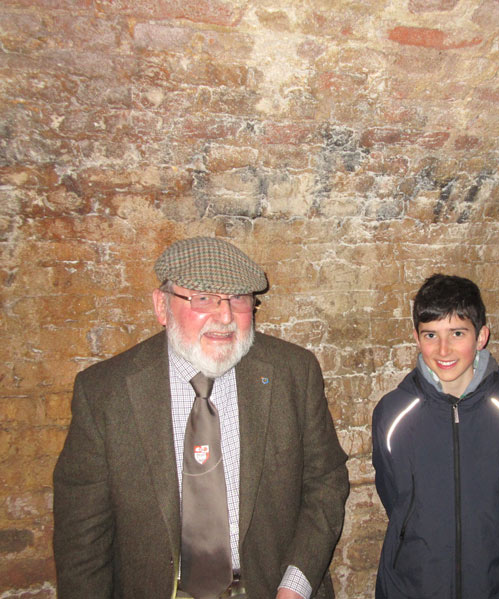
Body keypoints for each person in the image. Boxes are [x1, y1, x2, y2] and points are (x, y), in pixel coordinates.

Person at [53, 236, 349, 599]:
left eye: (238, 298)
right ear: (162, 306)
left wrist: (296, 585)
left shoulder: (293, 372)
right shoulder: (104, 394)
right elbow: (82, 539)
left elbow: (326, 482)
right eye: (204, 298)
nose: (225, 316)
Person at [372, 274, 499, 599]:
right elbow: (393, 496)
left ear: (481, 336)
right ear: (416, 337)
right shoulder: (392, 413)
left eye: (457, 333)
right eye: (430, 335)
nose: (443, 349)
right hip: (414, 584)